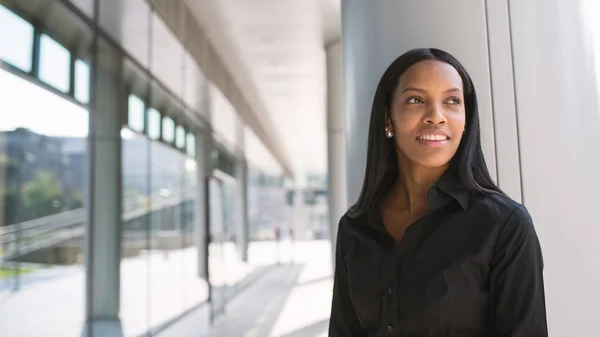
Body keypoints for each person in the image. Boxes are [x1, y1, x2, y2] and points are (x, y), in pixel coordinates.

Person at [329, 48, 548, 336]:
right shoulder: (355, 227)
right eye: (416, 100)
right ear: (388, 118)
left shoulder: (504, 225)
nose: (436, 116)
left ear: (466, 118)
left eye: (452, 101)